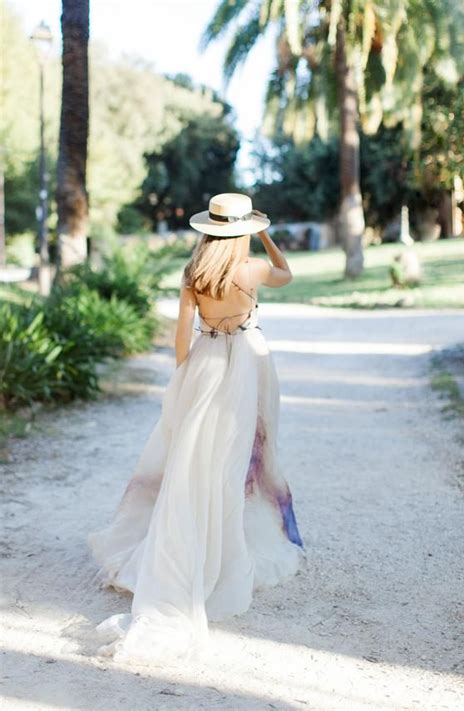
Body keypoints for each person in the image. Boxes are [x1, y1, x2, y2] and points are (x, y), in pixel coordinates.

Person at [87, 192, 306, 666]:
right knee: (235, 459)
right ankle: (222, 554)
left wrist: (187, 376)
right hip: (246, 364)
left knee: (195, 458)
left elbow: (181, 337)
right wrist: (266, 237)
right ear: (241, 232)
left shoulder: (193, 274)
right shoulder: (251, 270)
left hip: (205, 365)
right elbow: (287, 275)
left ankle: (192, 543)